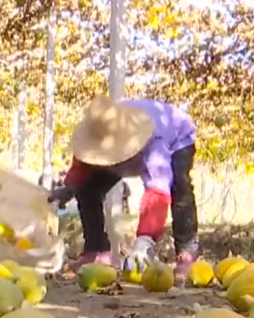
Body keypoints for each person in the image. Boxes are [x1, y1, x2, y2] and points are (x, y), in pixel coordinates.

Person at [48, 96, 199, 280]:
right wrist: (69, 188)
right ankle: (96, 251)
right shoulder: (99, 128)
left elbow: (158, 192)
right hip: (123, 148)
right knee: (87, 188)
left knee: (179, 187)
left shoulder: (153, 141)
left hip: (176, 140)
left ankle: (186, 252)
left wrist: (144, 241)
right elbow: (82, 166)